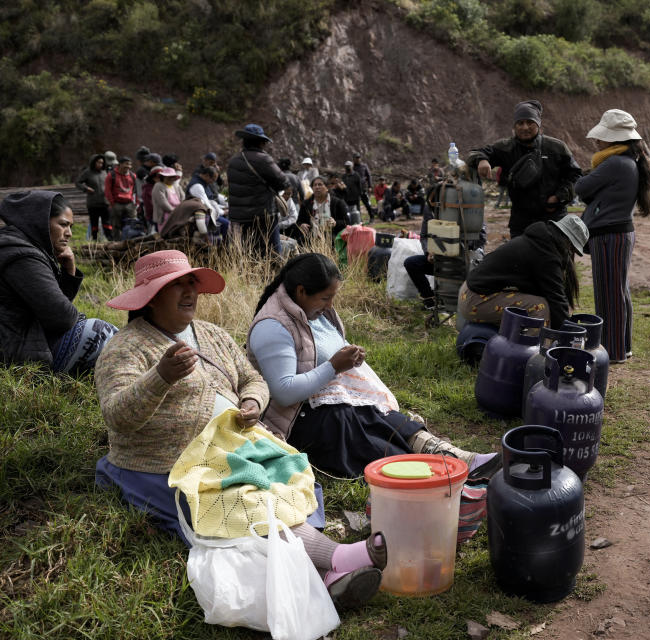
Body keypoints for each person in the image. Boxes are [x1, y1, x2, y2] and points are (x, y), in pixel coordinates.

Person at [94, 250, 386, 608]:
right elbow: (117, 415)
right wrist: (161, 377)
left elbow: (252, 378)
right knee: (242, 498)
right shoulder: (124, 348)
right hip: (169, 462)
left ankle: (327, 572)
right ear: (151, 298)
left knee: (285, 473)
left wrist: (251, 402)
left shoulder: (211, 335)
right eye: (176, 286)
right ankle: (336, 560)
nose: (190, 293)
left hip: (232, 445)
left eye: (192, 284)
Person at [247, 253, 501, 480]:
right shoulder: (273, 327)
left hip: (323, 400)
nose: (330, 306)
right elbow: (284, 391)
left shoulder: (310, 311)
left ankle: (457, 458)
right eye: (326, 298)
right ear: (301, 291)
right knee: (357, 423)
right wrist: (334, 366)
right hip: (296, 420)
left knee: (379, 413)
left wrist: (347, 358)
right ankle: (441, 468)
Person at [0, 191, 117, 372]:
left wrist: (69, 270)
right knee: (99, 332)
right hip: (15, 351)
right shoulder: (22, 256)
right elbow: (62, 317)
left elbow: (53, 309)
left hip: (23, 338)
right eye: (63, 225)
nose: (69, 233)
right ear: (40, 222)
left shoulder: (19, 247)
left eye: (70, 226)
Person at [574, 109, 650, 364]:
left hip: (609, 235)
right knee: (619, 292)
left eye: (602, 136)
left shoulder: (615, 163)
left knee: (609, 295)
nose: (597, 141)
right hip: (618, 233)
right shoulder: (627, 160)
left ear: (615, 138)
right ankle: (623, 347)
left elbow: (581, 187)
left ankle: (612, 352)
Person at [467, 100, 582, 238]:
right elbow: (475, 153)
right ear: (514, 126)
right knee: (521, 259)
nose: (525, 127)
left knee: (554, 260)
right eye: (520, 123)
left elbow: (576, 176)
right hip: (521, 224)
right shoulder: (505, 147)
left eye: (530, 122)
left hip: (554, 220)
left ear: (538, 124)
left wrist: (558, 197)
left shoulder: (557, 147)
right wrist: (482, 160)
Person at [458, 215, 587, 330]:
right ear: (568, 241)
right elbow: (556, 299)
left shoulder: (540, 242)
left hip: (471, 293)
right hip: (476, 300)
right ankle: (532, 352)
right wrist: (567, 333)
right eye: (572, 248)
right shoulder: (546, 255)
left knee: (537, 301)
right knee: (540, 307)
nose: (571, 253)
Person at [227, 123, 288, 255]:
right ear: (260, 142)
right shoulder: (263, 159)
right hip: (263, 216)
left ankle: (251, 275)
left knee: (249, 252)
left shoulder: (233, 161)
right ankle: (272, 275)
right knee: (273, 253)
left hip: (240, 217)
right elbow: (283, 182)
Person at [297, 176, 348, 245]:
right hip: (311, 238)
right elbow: (299, 221)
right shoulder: (306, 204)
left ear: (327, 188)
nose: (317, 187)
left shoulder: (337, 203)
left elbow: (346, 222)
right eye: (315, 185)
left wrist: (335, 223)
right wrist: (302, 225)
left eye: (320, 184)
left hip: (331, 238)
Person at [185, 166, 230, 240]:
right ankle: (223, 246)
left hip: (208, 212)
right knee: (227, 224)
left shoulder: (203, 183)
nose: (213, 182)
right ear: (206, 175)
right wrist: (222, 212)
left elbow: (209, 200)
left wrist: (222, 208)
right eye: (212, 179)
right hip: (201, 215)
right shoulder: (197, 186)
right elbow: (207, 204)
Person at [75, 153, 111, 241]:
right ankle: (94, 240)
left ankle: (110, 239)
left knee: (107, 223)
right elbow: (78, 182)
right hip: (93, 203)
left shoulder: (105, 172)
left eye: (102, 163)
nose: (100, 164)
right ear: (93, 162)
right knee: (94, 223)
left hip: (105, 202)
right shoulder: (87, 172)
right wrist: (86, 188)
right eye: (98, 162)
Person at [104, 156, 138, 239]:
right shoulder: (111, 175)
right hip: (117, 204)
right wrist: (112, 203)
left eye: (130, 164)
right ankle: (117, 242)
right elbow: (107, 190)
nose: (128, 166)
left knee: (133, 223)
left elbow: (135, 190)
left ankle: (131, 240)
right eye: (126, 164)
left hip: (129, 203)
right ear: (120, 164)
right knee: (116, 225)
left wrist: (136, 202)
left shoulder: (133, 176)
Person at [152, 166, 185, 232]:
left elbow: (183, 198)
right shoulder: (158, 186)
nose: (171, 179)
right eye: (168, 177)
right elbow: (163, 203)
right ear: (163, 177)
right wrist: (174, 212)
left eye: (172, 177)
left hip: (177, 215)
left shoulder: (175, 186)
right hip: (165, 217)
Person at [352, 152, 375, 219]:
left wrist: (370, 186)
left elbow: (369, 176)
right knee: (357, 205)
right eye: (356, 158)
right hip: (355, 189)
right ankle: (359, 219)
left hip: (363, 188)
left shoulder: (364, 166)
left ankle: (372, 217)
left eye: (358, 158)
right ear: (353, 159)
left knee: (367, 203)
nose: (357, 159)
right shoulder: (352, 168)